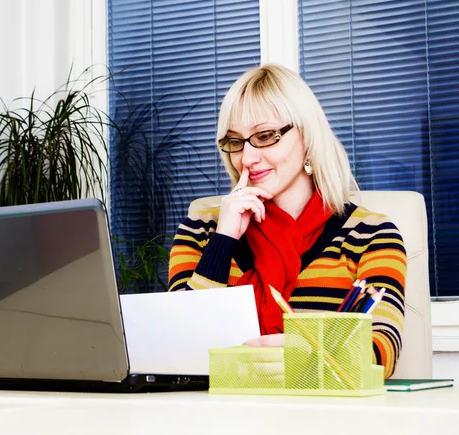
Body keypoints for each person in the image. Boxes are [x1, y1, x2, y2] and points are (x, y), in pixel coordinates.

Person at [167, 63, 406, 378]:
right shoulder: (202, 228)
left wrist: (299, 353)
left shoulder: (371, 233)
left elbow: (381, 351)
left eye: (266, 136)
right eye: (236, 142)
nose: (247, 159)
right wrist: (223, 241)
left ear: (307, 136)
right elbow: (176, 345)